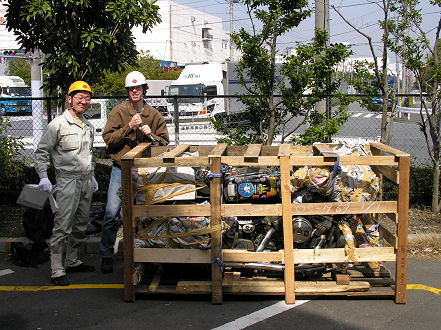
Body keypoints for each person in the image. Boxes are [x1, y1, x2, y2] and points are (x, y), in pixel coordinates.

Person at [100, 71, 169, 273]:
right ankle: (106, 254)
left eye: (138, 88)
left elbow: (165, 143)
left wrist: (152, 135)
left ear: (144, 89)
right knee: (112, 214)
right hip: (120, 169)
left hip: (145, 171)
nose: (135, 91)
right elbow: (108, 140)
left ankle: (146, 253)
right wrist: (128, 127)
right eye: (131, 89)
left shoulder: (154, 114)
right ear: (128, 91)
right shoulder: (119, 112)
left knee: (146, 214)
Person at [34, 81, 98, 286]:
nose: (83, 101)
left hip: (86, 181)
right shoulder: (58, 124)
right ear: (69, 99)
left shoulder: (88, 126)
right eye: (79, 97)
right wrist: (43, 175)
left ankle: (72, 260)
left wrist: (92, 174)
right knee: (62, 226)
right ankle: (56, 269)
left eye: (87, 98)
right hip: (67, 181)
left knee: (80, 225)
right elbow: (41, 152)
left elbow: (88, 155)